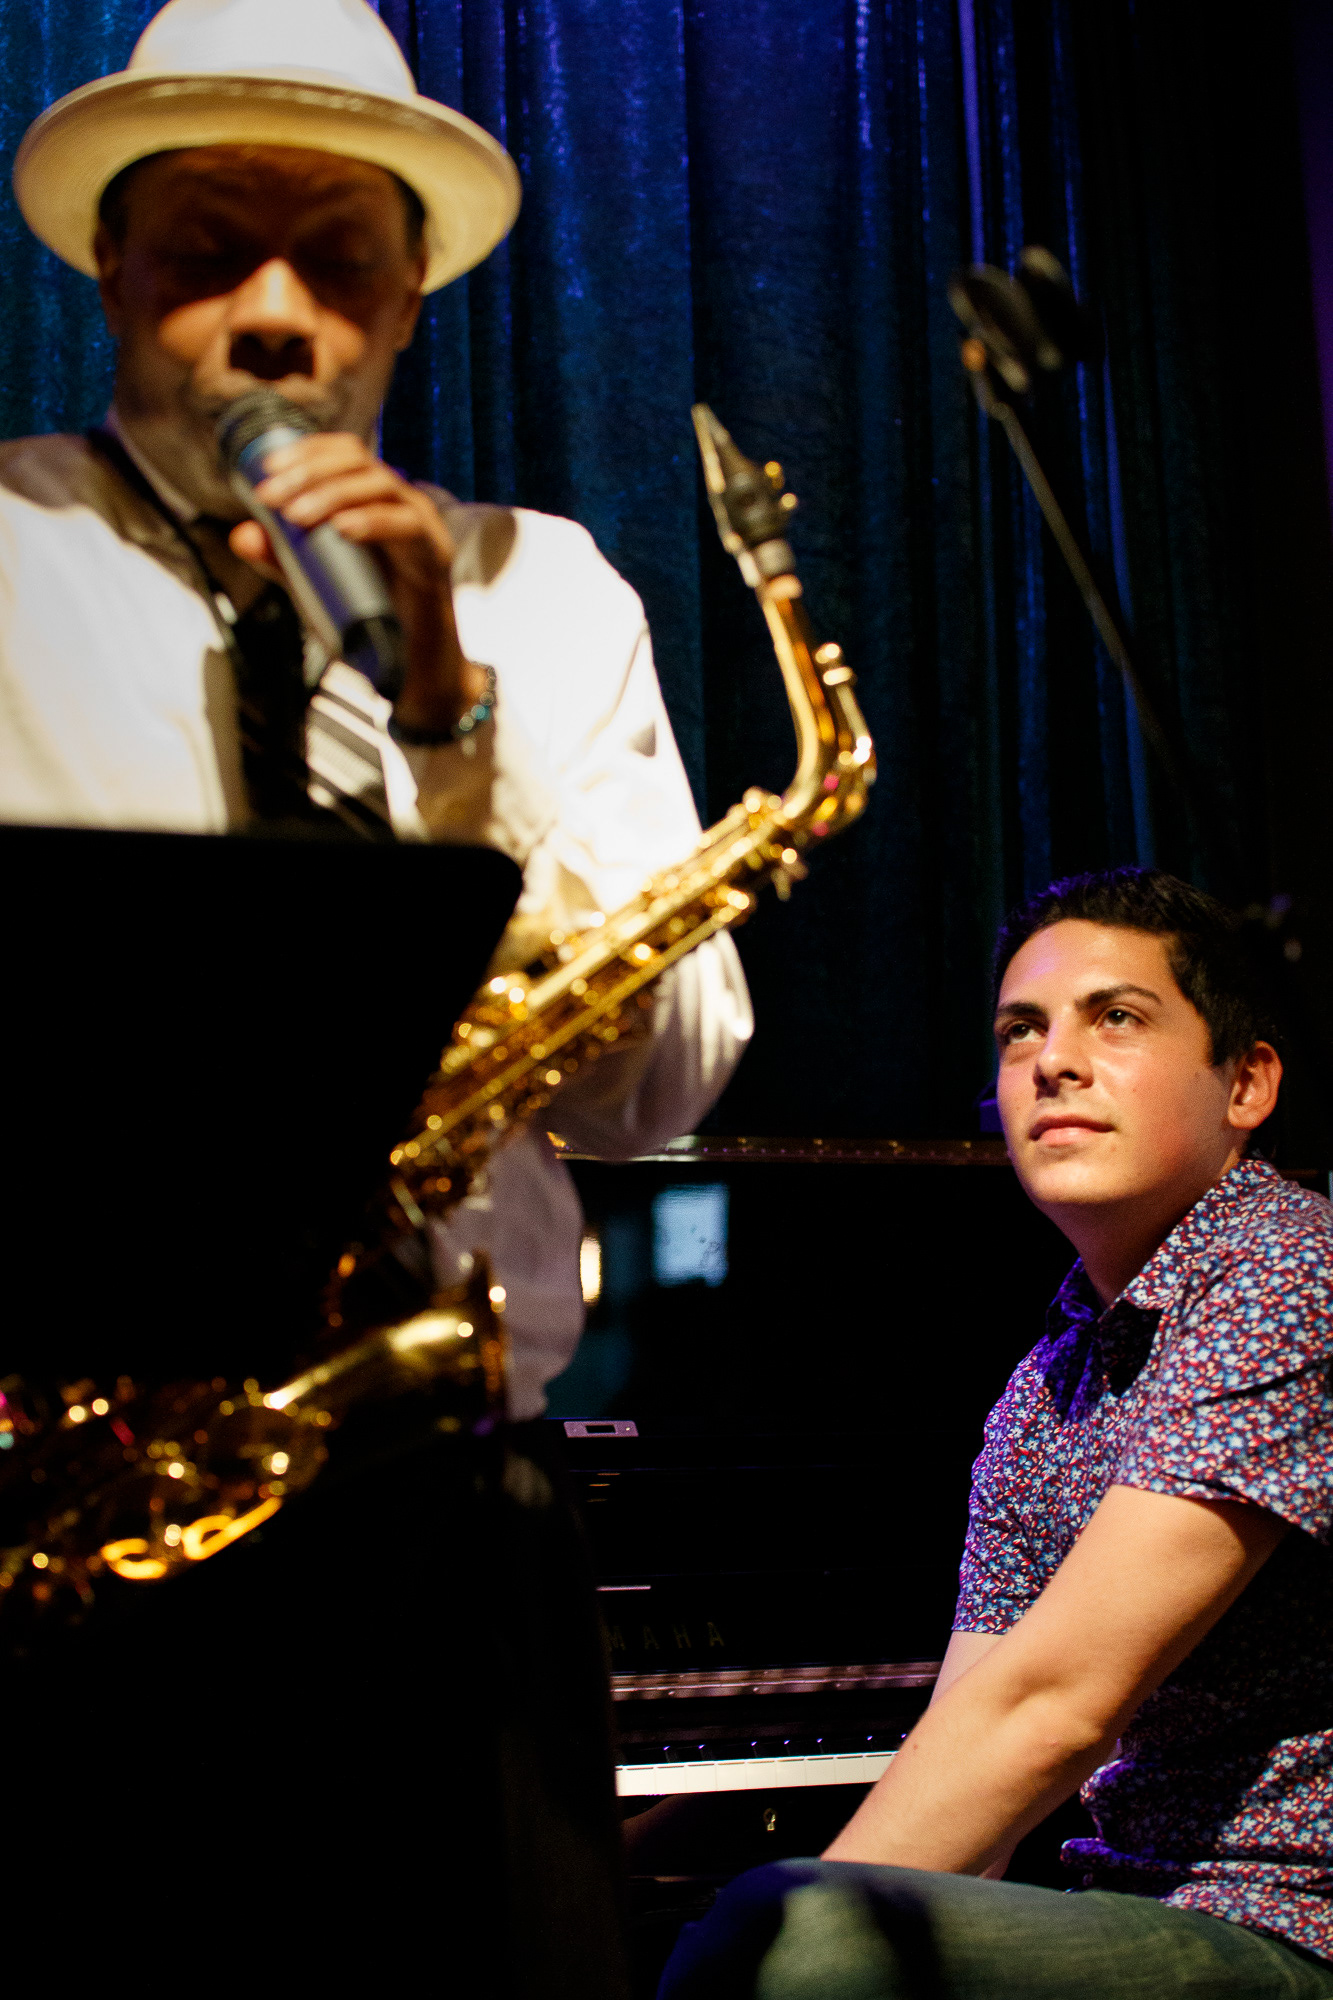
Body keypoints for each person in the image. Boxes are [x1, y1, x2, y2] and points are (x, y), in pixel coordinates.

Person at [0, 0, 750, 1988]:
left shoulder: (547, 591)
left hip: (449, 1505)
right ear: (108, 269)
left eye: (333, 259)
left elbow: (664, 1083)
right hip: (65, 1494)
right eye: (208, 251)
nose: (272, 316)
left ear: (409, 302)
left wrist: (447, 728)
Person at [662, 868, 1333, 1999]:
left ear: (1245, 1082)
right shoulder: (1045, 1386)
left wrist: (789, 1931)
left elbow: (1053, 1705)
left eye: (1115, 1017)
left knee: (797, 1937)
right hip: (1129, 1901)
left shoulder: (1290, 1273)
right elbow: (977, 1735)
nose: (1051, 1059)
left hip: (1296, 1924)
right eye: (1021, 1029)